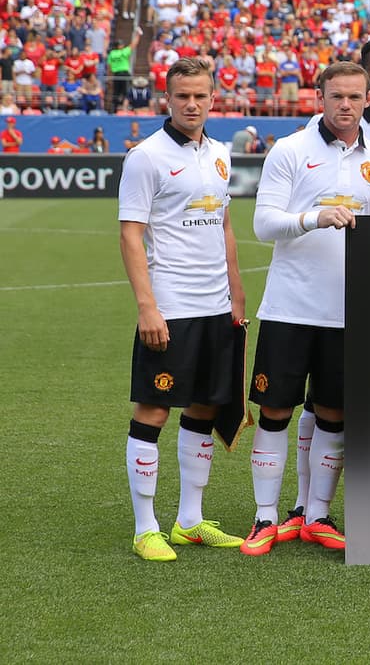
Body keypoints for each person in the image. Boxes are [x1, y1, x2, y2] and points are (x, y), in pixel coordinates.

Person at [240, 62, 370, 555]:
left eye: (354, 97)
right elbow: (263, 225)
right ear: (319, 97)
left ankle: (318, 515)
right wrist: (315, 217)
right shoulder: (289, 150)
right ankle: (265, 518)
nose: (345, 105)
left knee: (334, 413)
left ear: (368, 99)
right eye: (336, 97)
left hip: (350, 311)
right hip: (291, 307)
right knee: (275, 411)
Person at [117, 57, 247, 561]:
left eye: (200, 95)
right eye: (182, 96)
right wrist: (147, 307)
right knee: (153, 410)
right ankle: (145, 526)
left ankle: (189, 520)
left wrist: (236, 293)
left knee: (204, 408)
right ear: (166, 99)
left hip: (216, 305)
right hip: (171, 305)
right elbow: (131, 233)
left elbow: (226, 226)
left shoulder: (219, 153)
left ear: (213, 97)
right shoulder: (145, 157)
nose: (192, 104)